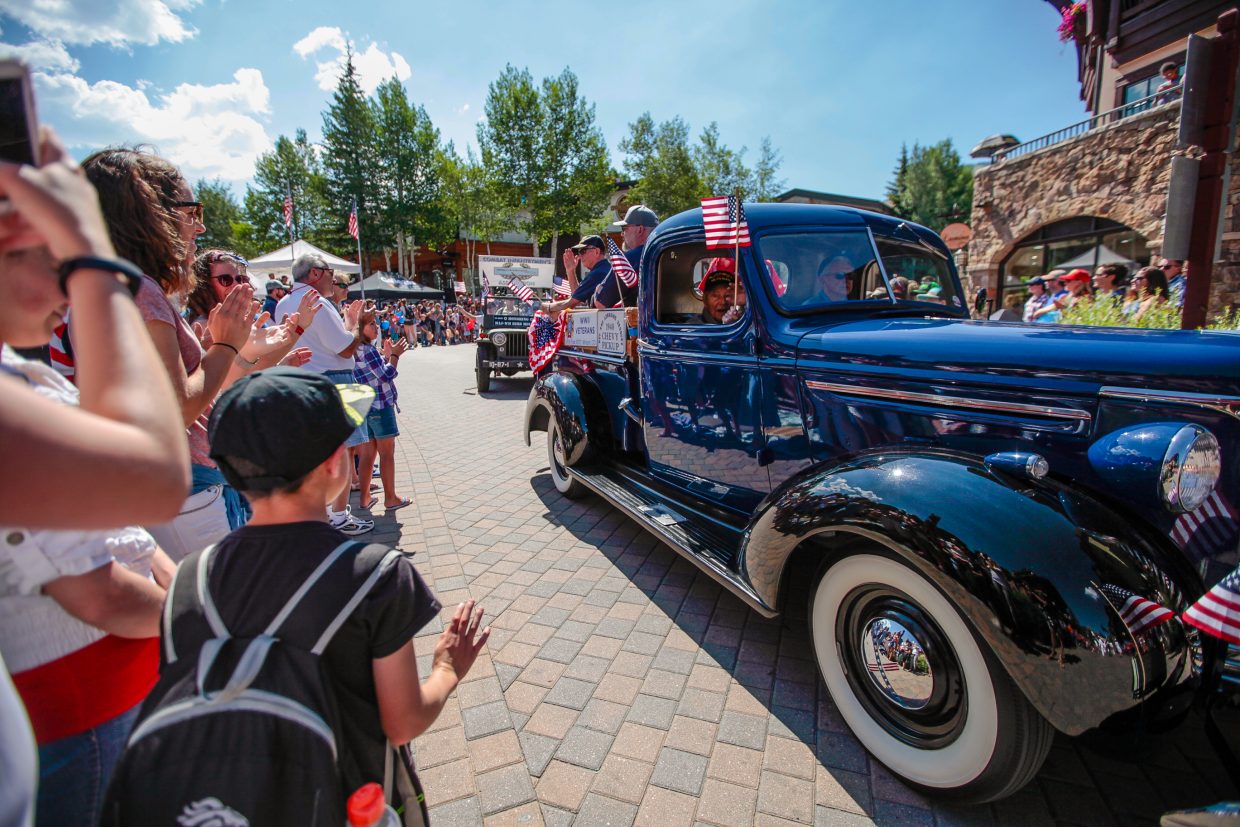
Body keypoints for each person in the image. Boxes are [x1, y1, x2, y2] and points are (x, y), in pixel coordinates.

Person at [0, 129, 189, 827]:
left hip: (99, 698)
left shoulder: (29, 376)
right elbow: (148, 476)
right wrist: (94, 260)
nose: (62, 284)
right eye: (47, 255)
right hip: (82, 714)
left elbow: (128, 523)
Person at [202, 367, 489, 795]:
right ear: (334, 463)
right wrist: (447, 668)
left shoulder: (192, 573)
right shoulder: (378, 575)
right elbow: (403, 722)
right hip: (349, 796)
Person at [82, 148, 288, 534]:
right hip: (185, 488)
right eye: (192, 213)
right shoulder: (140, 290)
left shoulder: (106, 284)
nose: (199, 227)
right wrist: (225, 345)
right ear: (151, 215)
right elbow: (177, 408)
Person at [274, 253, 373, 535]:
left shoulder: (284, 302)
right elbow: (343, 347)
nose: (334, 277)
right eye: (330, 271)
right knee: (341, 453)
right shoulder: (317, 302)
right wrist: (356, 325)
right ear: (315, 274)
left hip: (301, 380)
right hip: (333, 381)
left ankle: (323, 513)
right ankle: (338, 516)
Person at [352, 308, 410, 511]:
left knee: (368, 454)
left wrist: (386, 356)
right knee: (387, 453)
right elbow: (386, 376)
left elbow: (374, 373)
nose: (376, 327)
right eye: (371, 324)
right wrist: (394, 356)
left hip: (364, 407)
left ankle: (365, 498)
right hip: (380, 406)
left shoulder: (355, 349)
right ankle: (390, 498)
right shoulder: (367, 350)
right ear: (360, 328)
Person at [594, 205, 659, 308]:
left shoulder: (629, 259)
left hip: (638, 322)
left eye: (624, 228)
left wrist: (598, 292)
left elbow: (601, 302)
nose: (622, 234)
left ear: (640, 229)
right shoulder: (667, 253)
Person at [547, 235, 609, 314]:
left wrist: (546, 307)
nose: (580, 256)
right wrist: (570, 271)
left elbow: (571, 303)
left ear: (597, 251)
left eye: (583, 251)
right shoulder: (604, 268)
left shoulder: (598, 273)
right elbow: (578, 297)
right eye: (579, 252)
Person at [698, 258, 737, 324]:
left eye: (728, 295)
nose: (723, 302)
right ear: (705, 299)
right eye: (716, 296)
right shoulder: (694, 329)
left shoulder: (740, 324)